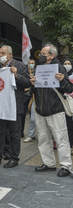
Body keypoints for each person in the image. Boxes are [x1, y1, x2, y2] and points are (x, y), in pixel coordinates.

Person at [30, 44, 73, 177]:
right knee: (43, 139)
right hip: (41, 110)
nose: (40, 56)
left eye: (43, 54)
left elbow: (69, 89)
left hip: (55, 110)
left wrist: (61, 80)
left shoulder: (59, 67)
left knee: (61, 139)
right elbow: (35, 90)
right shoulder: (38, 68)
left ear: (51, 56)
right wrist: (33, 84)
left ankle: (66, 166)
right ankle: (49, 163)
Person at [0, 45, 31, 168]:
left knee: (14, 133)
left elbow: (27, 82)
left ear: (10, 54)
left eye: (3, 53)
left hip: (15, 105)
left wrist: (16, 75)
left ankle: (14, 158)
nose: (0, 56)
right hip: (0, 106)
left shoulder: (19, 66)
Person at [24, 59, 37, 143]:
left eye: (33, 63)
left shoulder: (37, 72)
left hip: (43, 98)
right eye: (30, 63)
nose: (31, 65)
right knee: (32, 118)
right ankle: (30, 135)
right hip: (35, 98)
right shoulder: (26, 72)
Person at [62, 58, 73, 155]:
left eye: (69, 63)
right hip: (63, 102)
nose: (67, 65)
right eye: (65, 63)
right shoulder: (60, 75)